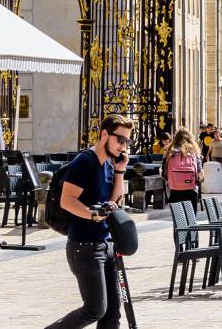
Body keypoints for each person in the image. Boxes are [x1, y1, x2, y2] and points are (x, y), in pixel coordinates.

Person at [45, 114, 132, 329]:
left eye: (127, 141)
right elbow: (67, 200)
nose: (124, 146)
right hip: (84, 247)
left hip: (107, 243)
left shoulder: (109, 164)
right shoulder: (85, 162)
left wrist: (120, 171)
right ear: (104, 135)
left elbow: (114, 202)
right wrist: (92, 215)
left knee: (112, 313)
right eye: (120, 140)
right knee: (95, 309)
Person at [163, 128, 204, 205]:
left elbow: (164, 174)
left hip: (174, 190)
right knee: (190, 216)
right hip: (191, 190)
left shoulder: (170, 151)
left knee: (178, 216)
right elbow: (200, 174)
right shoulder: (194, 152)